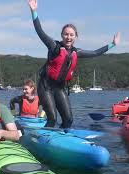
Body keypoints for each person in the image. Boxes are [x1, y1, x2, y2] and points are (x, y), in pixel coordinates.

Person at [27, 0, 121, 128]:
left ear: (75, 36)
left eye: (71, 35)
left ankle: (61, 137)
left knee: (68, 120)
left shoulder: (77, 52)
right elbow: (40, 31)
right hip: (45, 87)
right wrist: (34, 11)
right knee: (52, 119)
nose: (68, 37)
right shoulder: (54, 46)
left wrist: (112, 44)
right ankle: (45, 137)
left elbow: (95, 53)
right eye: (66, 34)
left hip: (60, 88)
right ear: (62, 35)